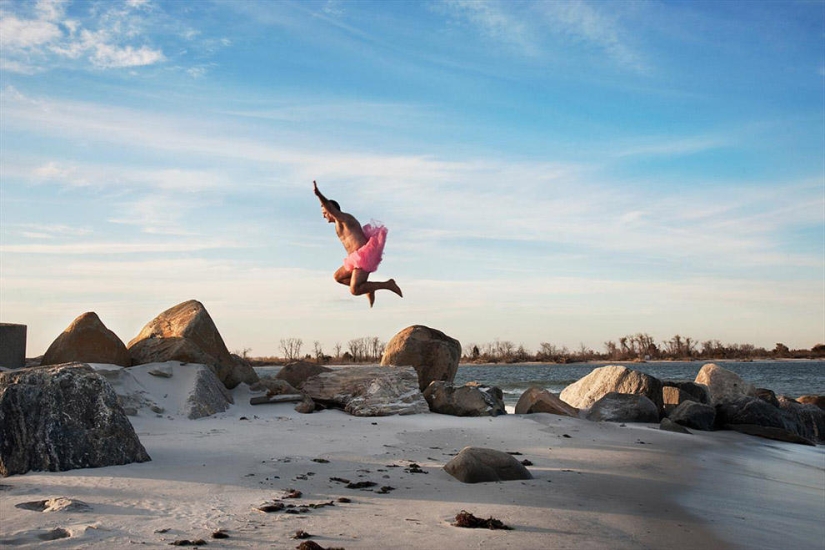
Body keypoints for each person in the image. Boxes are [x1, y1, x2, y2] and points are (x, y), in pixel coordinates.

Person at [313, 180, 402, 307]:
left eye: (325, 213)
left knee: (355, 290)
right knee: (338, 277)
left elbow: (330, 207)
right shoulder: (338, 224)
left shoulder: (344, 219)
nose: (324, 216)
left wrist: (318, 195)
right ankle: (368, 288)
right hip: (354, 258)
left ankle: (387, 284)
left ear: (331, 211)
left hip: (364, 256)